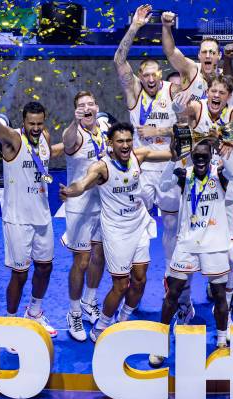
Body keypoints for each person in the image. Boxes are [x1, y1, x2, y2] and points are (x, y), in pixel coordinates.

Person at [59, 122, 172, 342]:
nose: (126, 145)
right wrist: (69, 192)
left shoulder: (138, 157)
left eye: (129, 140)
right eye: (120, 141)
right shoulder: (102, 168)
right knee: (121, 285)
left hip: (139, 224)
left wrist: (183, 137)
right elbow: (82, 184)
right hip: (116, 231)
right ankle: (101, 327)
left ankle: (123, 319)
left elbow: (171, 154)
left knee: (140, 280)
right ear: (110, 144)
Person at [0, 81, 59, 340]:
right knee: (20, 274)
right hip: (18, 221)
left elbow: (49, 156)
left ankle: (36, 312)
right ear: (23, 122)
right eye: (32, 124)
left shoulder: (46, 138)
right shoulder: (12, 140)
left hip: (43, 217)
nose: (36, 129)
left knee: (45, 267)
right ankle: (12, 322)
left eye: (40, 123)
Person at [149, 139, 233, 367]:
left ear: (210, 156)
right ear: (191, 156)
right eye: (196, 156)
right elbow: (162, 184)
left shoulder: (220, 174)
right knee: (173, 293)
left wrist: (222, 152)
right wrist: (173, 157)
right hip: (187, 244)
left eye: (204, 156)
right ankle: (160, 345)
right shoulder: (184, 174)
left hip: (214, 245)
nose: (200, 160)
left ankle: (221, 341)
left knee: (219, 295)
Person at [170, 74, 233, 332]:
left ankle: (221, 303)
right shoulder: (198, 107)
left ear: (227, 96)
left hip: (226, 193)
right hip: (197, 193)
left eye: (221, 92)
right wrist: (180, 108)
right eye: (212, 90)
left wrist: (225, 140)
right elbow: (181, 111)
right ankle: (184, 304)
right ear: (208, 92)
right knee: (186, 255)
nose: (216, 95)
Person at [114, 4, 183, 289]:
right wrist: (134, 28)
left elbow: (189, 127)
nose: (152, 79)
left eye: (156, 74)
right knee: (134, 224)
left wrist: (161, 129)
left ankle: (171, 275)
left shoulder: (173, 91)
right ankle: (128, 273)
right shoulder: (134, 95)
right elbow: (119, 60)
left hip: (167, 166)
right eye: (146, 75)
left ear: (161, 75)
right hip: (141, 169)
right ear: (141, 78)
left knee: (170, 226)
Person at [62, 91, 111, 341]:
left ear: (97, 106)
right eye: (81, 105)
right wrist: (74, 120)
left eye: (91, 103)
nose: (87, 108)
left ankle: (89, 301)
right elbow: (67, 140)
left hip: (102, 202)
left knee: (99, 256)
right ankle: (73, 313)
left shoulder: (103, 126)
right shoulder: (74, 134)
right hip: (79, 206)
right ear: (76, 111)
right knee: (81, 261)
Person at [161, 10, 221, 101]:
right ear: (199, 55)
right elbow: (171, 52)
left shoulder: (224, 77)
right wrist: (166, 26)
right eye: (204, 52)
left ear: (219, 55)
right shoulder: (190, 69)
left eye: (212, 52)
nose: (208, 55)